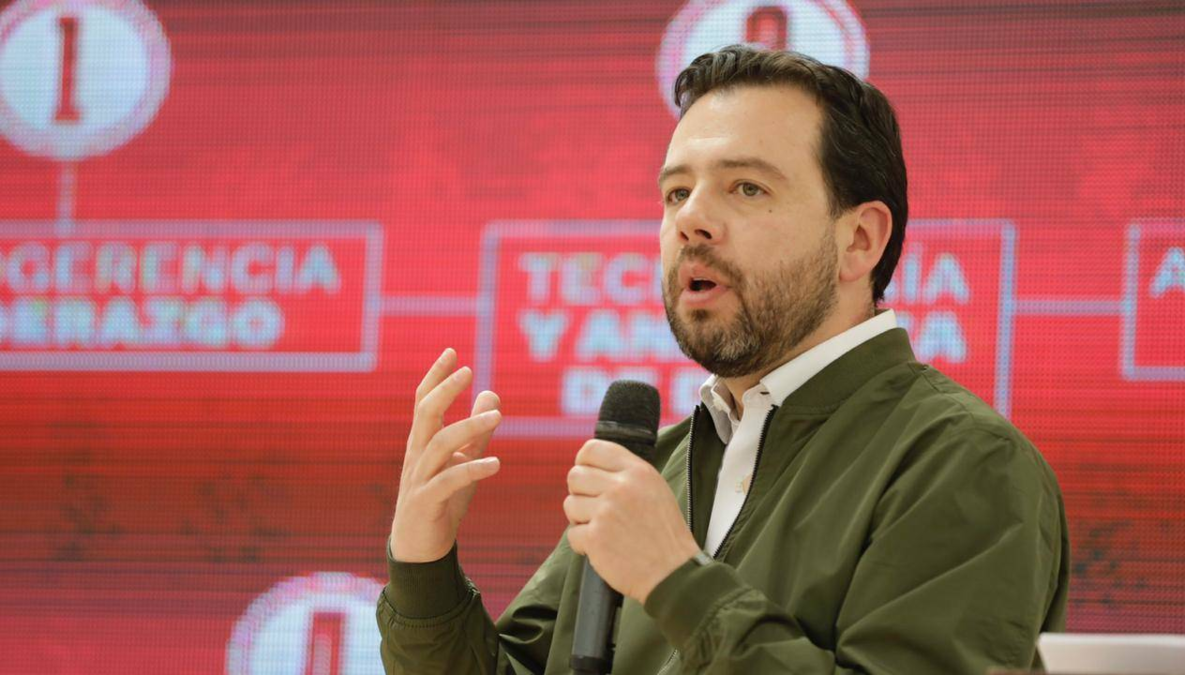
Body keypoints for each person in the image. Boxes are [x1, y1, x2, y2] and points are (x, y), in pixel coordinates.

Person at [376, 45, 1069, 674]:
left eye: (747, 187)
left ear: (860, 240)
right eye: (677, 192)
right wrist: (423, 568)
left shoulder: (964, 462)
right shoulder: (661, 464)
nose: (690, 220)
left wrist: (678, 581)